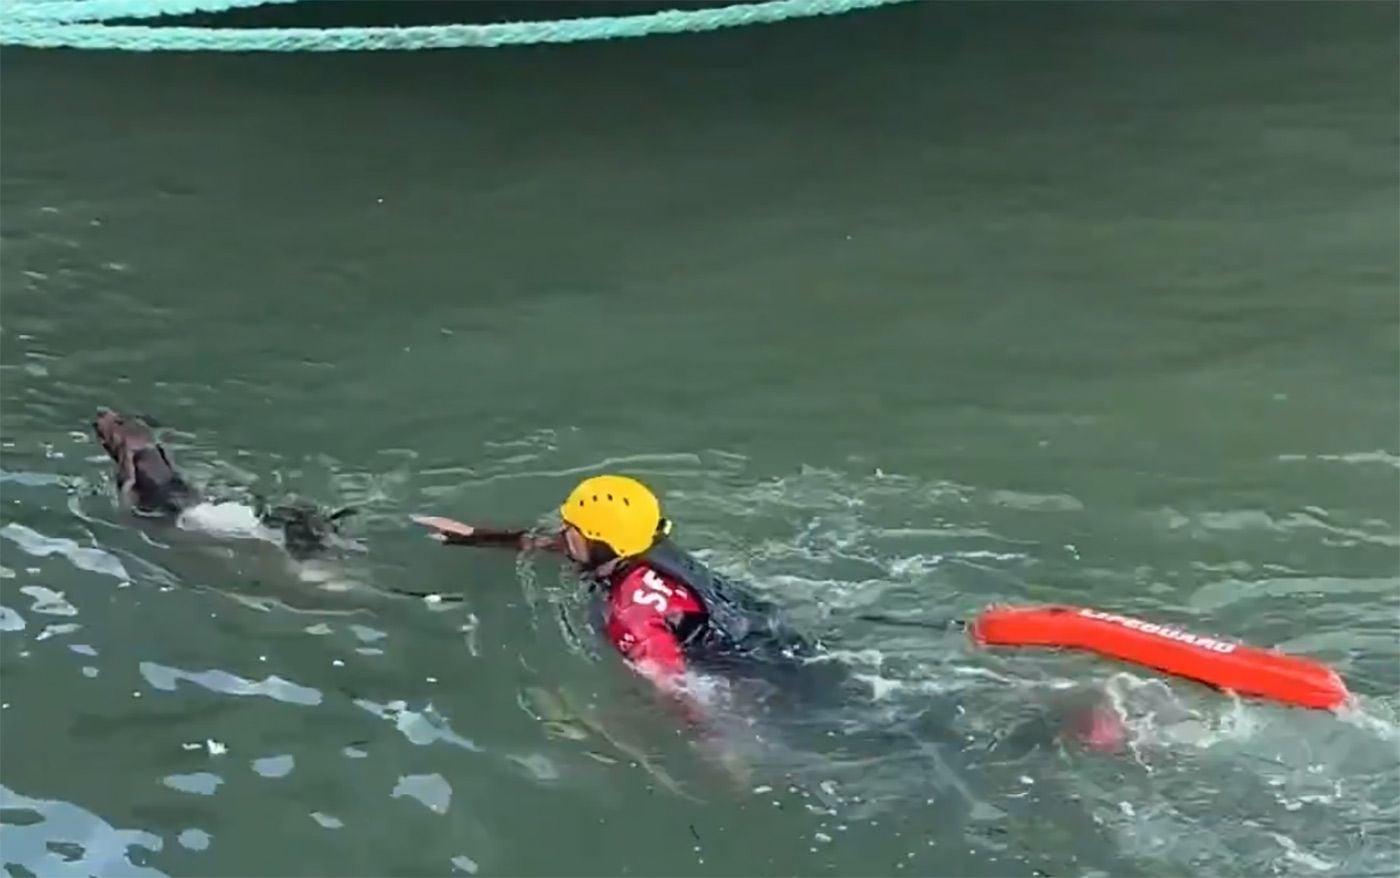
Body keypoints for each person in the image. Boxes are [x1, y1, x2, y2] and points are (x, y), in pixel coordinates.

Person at [413, 473, 1125, 751]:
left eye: (571, 526)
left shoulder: (630, 611)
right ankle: (1049, 702)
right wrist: (474, 538)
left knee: (900, 744)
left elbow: (673, 682)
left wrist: (722, 748)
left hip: (759, 676)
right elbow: (556, 545)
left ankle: (1057, 716)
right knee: (887, 700)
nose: (559, 533)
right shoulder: (652, 555)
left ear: (595, 543)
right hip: (779, 634)